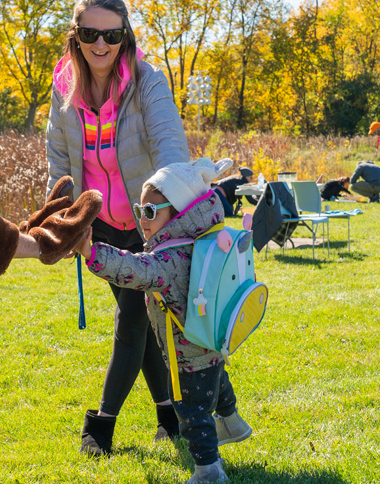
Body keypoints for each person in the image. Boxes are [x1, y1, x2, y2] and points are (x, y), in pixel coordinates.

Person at [45, 0, 190, 455]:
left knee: (131, 318)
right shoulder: (63, 87)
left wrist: (166, 197)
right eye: (90, 34)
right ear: (77, 37)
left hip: (149, 226)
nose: (101, 44)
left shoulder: (147, 81)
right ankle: (171, 416)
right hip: (100, 227)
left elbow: (170, 141)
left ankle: (100, 427)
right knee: (143, 321)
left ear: (124, 36)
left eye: (111, 34)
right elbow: (59, 157)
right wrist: (64, 217)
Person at [75, 158, 253, 484]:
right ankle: (232, 421)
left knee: (192, 414)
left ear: (179, 212)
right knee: (217, 381)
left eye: (151, 212)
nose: (142, 220)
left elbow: (136, 269)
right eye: (140, 210)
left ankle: (208, 471)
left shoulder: (169, 258)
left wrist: (92, 253)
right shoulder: (203, 239)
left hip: (186, 356)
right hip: (212, 339)